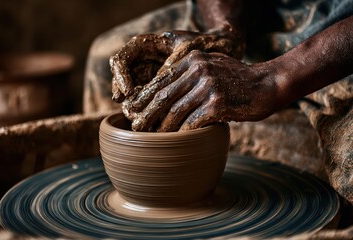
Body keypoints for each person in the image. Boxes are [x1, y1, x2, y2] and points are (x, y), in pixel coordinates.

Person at [85, 0, 353, 205]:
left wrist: (273, 79)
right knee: (106, 60)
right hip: (258, 14)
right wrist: (225, 30)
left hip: (339, 44)